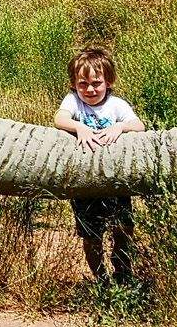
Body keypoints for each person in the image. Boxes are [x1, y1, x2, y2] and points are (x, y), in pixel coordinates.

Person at [54, 47, 146, 286]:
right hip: (84, 183)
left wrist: (120, 127)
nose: (90, 89)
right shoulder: (73, 101)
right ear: (74, 85)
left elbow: (140, 125)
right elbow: (59, 119)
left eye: (96, 83)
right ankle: (101, 280)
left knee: (123, 229)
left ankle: (123, 272)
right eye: (83, 84)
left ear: (109, 81)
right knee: (91, 235)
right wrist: (79, 127)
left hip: (116, 181)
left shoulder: (117, 105)